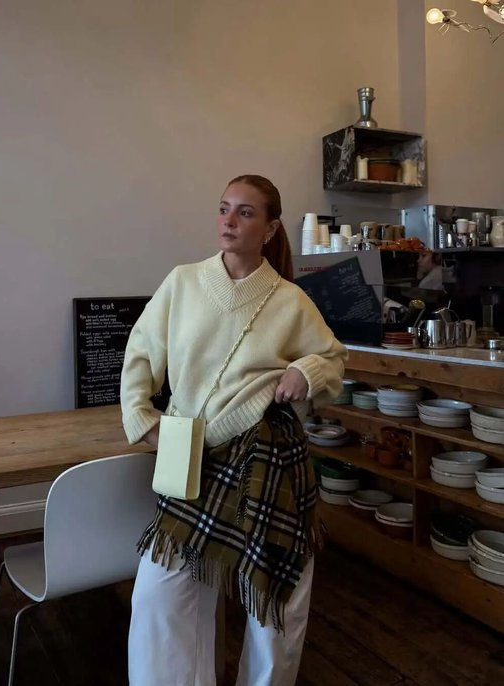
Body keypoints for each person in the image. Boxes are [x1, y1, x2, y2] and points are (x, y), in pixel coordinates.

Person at [120, 174, 348, 686]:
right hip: (190, 454)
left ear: (270, 229)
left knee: (275, 602)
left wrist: (307, 370)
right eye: (224, 208)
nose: (229, 221)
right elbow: (140, 353)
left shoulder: (291, 300)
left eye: (246, 212)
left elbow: (334, 359)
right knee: (159, 596)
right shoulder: (182, 282)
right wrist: (142, 419)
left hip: (268, 457)